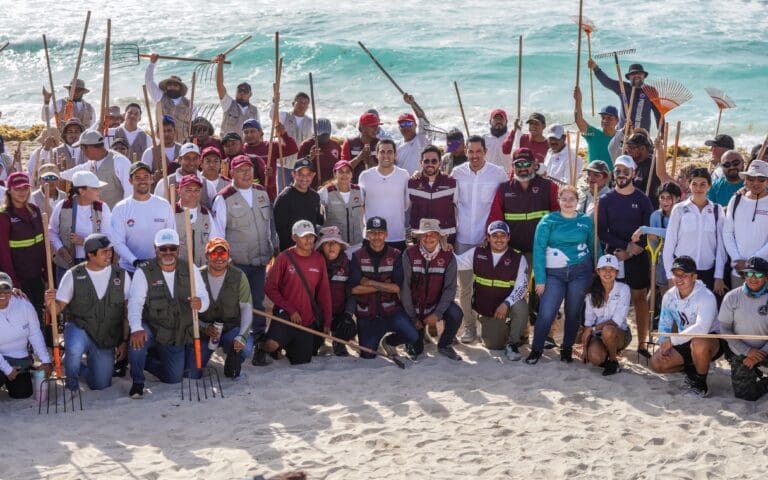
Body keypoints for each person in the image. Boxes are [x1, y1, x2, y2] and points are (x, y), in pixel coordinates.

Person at [211, 155, 278, 366]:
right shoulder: (224, 198)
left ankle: (258, 344)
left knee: (257, 303)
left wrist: (272, 248)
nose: (246, 174)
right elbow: (217, 233)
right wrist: (227, 260)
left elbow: (269, 226)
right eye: (240, 170)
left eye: (248, 169)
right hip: (236, 263)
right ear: (232, 172)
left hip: (260, 260)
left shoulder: (261, 193)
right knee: (236, 305)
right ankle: (233, 345)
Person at [127, 229, 209, 398]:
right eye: (163, 248)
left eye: (172, 248)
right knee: (137, 341)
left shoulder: (191, 269)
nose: (168, 252)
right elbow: (135, 303)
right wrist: (136, 328)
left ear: (179, 249)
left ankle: (148, 361)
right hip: (153, 327)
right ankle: (137, 382)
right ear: (155, 249)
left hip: (176, 333)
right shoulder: (144, 272)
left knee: (174, 378)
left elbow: (204, 298)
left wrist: (200, 304)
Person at [44, 234, 129, 392]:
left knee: (101, 384)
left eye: (110, 250)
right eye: (104, 252)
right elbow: (57, 309)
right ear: (90, 254)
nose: (109, 254)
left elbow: (126, 312)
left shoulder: (121, 276)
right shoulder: (73, 275)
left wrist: (124, 341)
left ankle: (71, 363)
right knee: (74, 348)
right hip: (80, 329)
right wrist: (49, 303)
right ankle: (72, 386)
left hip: (105, 337)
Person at [526, 185, 597, 364]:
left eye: (571, 199)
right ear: (558, 201)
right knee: (547, 312)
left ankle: (566, 349)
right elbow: (539, 250)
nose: (568, 203)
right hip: (554, 274)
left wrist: (598, 270)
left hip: (580, 272)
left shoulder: (586, 221)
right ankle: (536, 349)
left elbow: (594, 246)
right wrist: (540, 279)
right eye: (564, 199)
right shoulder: (548, 221)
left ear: (577, 201)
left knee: (573, 312)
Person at [452, 136, 508, 342]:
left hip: (488, 241)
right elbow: (451, 203)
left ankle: (489, 327)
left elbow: (504, 204)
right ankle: (469, 328)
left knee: (488, 286)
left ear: (485, 151)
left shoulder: (498, 173)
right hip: (463, 239)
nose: (474, 155)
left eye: (478, 151)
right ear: (466, 152)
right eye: (471, 151)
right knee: (465, 288)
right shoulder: (457, 173)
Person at [598, 155, 654, 356]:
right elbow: (602, 232)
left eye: (625, 171)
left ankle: (642, 344)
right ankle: (613, 340)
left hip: (637, 256)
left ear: (633, 173)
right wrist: (624, 247)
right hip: (613, 256)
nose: (621, 175)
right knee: (611, 297)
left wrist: (631, 251)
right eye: (618, 171)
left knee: (639, 299)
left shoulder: (642, 199)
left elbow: (648, 230)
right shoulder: (606, 200)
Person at [259, 221, 332, 365]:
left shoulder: (319, 259)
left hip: (306, 319)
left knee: (302, 360)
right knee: (271, 345)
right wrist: (290, 309)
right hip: (286, 314)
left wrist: (327, 321)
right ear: (294, 237)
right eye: (304, 236)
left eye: (311, 236)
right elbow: (269, 287)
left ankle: (286, 345)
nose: (308, 240)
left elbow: (324, 292)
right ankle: (260, 347)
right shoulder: (284, 257)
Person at [453, 220, 529, 360]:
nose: (499, 239)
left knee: (521, 307)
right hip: (488, 308)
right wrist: (442, 250)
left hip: (507, 304)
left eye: (502, 235)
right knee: (494, 345)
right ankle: (503, 328)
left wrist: (506, 303)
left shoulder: (518, 258)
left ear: (508, 237)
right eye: (494, 236)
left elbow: (522, 286)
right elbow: (457, 262)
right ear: (488, 238)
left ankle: (512, 343)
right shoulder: (477, 253)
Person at [651, 256, 723, 397]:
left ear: (694, 277)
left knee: (698, 342)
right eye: (675, 274)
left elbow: (702, 328)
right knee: (656, 364)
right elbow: (664, 324)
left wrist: (672, 341)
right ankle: (692, 369)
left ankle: (701, 385)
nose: (679, 279)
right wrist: (663, 344)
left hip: (710, 340)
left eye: (684, 275)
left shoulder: (706, 296)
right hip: (683, 339)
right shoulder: (669, 296)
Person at [349, 217, 418, 360]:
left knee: (412, 335)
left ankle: (389, 342)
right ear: (367, 235)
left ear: (386, 234)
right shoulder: (357, 256)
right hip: (367, 314)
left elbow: (396, 288)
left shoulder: (396, 254)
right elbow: (354, 289)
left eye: (380, 233)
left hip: (391, 311)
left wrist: (369, 282)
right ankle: (375, 338)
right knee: (368, 356)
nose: (376, 237)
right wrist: (384, 285)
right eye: (372, 233)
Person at [400, 219, 463, 361]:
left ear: (439, 236)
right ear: (419, 237)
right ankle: (415, 336)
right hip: (414, 308)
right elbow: (405, 288)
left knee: (456, 313)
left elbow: (450, 289)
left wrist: (437, 313)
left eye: (432, 234)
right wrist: (412, 317)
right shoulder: (409, 254)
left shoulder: (448, 257)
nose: (428, 238)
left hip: (435, 305)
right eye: (425, 234)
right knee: (417, 349)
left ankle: (445, 345)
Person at [195, 238, 253, 379]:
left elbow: (246, 307)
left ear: (228, 255)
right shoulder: (196, 276)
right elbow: (188, 312)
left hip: (230, 329)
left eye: (223, 253)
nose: (219, 258)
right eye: (214, 253)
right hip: (204, 332)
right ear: (207, 256)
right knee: (193, 373)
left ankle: (233, 363)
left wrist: (241, 336)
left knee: (245, 348)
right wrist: (204, 327)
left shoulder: (239, 276)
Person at [662, 168, 726, 294]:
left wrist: (719, 276)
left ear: (709, 186)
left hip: (707, 271)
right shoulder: (679, 209)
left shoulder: (717, 210)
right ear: (689, 185)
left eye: (703, 184)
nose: (698, 188)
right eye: (695, 184)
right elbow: (669, 244)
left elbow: (720, 247)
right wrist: (670, 276)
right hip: (681, 271)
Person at [111, 163, 176, 275]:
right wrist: (135, 262)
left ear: (151, 179)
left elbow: (171, 237)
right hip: (129, 270)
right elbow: (117, 242)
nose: (142, 181)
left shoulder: (164, 205)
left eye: (146, 177)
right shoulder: (120, 208)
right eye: (137, 178)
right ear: (130, 181)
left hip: (158, 269)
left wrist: (162, 260)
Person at [0, 172, 47, 325]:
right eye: (17, 188)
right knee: (25, 318)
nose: (22, 192)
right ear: (9, 190)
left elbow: (43, 245)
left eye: (25, 188)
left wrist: (47, 275)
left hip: (37, 276)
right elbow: (4, 254)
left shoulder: (35, 210)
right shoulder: (4, 216)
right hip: (19, 278)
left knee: (39, 313)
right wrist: (13, 283)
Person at [719, 256, 768, 401]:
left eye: (758, 274)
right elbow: (724, 329)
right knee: (745, 395)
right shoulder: (731, 297)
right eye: (749, 273)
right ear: (744, 275)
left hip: (766, 350)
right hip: (741, 353)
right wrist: (748, 352)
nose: (753, 278)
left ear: (766, 276)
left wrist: (759, 355)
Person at [0, 272, 52, 399]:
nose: (2, 294)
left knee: (22, 393)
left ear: (12, 290)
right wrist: (7, 369)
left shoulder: (24, 305)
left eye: (6, 289)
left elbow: (35, 333)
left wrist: (45, 360)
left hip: (19, 358)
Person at [49, 171, 112, 273]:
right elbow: (52, 231)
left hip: (94, 263)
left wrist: (84, 242)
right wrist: (60, 249)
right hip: (66, 264)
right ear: (82, 191)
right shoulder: (62, 206)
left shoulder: (102, 208)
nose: (99, 191)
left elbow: (108, 238)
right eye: (95, 188)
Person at [582, 254, 632, 376]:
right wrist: (585, 349)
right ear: (598, 271)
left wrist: (594, 328)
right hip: (598, 334)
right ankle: (607, 352)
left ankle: (613, 362)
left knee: (608, 330)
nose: (608, 272)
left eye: (611, 269)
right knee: (594, 358)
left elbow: (616, 321)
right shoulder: (591, 294)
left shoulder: (624, 289)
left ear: (617, 272)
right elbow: (588, 324)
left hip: (619, 333)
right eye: (604, 269)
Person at [57, 129, 133, 209]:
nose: (82, 152)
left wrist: (124, 213)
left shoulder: (120, 161)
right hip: (99, 214)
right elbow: (75, 172)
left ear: (89, 147)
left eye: (82, 148)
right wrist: (57, 175)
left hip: (117, 214)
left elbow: (130, 191)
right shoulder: (92, 163)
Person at [723, 160, 768, 290]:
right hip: (739, 271)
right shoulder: (735, 200)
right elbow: (727, 233)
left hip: (763, 272)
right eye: (751, 178)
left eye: (761, 179)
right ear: (746, 180)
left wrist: (750, 263)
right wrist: (737, 259)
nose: (756, 183)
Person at [358, 139, 410, 251]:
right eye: (382, 152)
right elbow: (359, 205)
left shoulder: (404, 175)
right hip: (371, 237)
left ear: (395, 154)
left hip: (397, 236)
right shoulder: (365, 176)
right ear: (376, 154)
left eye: (389, 152)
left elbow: (406, 204)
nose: (386, 155)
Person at [632, 181, 683, 294]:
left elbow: (672, 233)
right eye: (662, 198)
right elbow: (653, 241)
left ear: (678, 198)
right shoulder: (655, 216)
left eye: (669, 198)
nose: (665, 201)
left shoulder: (683, 215)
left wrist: (644, 229)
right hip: (662, 260)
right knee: (665, 293)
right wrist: (653, 263)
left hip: (680, 258)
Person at [315, 226, 356, 356]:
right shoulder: (314, 264)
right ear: (321, 247)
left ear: (341, 246)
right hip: (318, 313)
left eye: (335, 242)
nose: (331, 246)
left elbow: (352, 294)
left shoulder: (349, 265)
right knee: (310, 348)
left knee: (348, 326)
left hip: (339, 312)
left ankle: (339, 342)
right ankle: (320, 341)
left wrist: (348, 314)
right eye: (327, 243)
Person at [587, 60, 660, 132]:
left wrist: (661, 131)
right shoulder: (623, 87)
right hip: (623, 133)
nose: (636, 76)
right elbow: (607, 82)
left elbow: (658, 113)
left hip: (642, 134)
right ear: (629, 77)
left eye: (639, 73)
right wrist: (595, 68)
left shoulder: (651, 91)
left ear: (644, 76)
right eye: (633, 74)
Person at [407, 145, 458, 244]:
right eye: (426, 161)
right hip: (420, 237)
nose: (430, 164)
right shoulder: (412, 183)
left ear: (440, 163)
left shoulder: (451, 182)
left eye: (434, 161)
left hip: (445, 238)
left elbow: (459, 207)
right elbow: (406, 207)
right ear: (421, 163)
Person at [273, 158, 324, 252]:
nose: (304, 178)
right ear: (293, 174)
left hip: (310, 251)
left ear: (313, 175)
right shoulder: (283, 198)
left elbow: (317, 222)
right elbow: (281, 231)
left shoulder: (315, 196)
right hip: (291, 252)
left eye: (308, 174)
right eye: (300, 174)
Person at [241, 118, 298, 201]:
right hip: (246, 195)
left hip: (268, 195)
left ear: (260, 132)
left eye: (252, 131)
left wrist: (283, 134)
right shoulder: (241, 150)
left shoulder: (270, 147)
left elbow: (292, 149)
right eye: (246, 132)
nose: (249, 135)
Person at [173, 174, 222, 266]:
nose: (193, 194)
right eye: (189, 190)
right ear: (179, 191)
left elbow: (213, 241)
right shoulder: (171, 212)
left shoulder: (206, 213)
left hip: (201, 268)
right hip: (178, 269)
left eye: (197, 190)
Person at [318, 160, 364, 252]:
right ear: (335, 174)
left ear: (352, 174)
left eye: (347, 172)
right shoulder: (326, 192)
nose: (344, 175)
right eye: (341, 172)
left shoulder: (359, 191)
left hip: (357, 244)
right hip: (335, 246)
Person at [145, 54, 191, 141]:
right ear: (166, 87)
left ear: (180, 88)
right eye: (169, 84)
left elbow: (192, 124)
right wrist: (152, 63)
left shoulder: (189, 104)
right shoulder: (160, 97)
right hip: (162, 142)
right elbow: (149, 81)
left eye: (175, 85)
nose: (172, 86)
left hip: (182, 142)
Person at [275, 92, 314, 188]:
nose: (302, 105)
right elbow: (273, 115)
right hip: (284, 164)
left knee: (300, 191)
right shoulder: (284, 116)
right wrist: (275, 103)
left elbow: (311, 142)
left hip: (301, 166)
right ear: (293, 103)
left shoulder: (310, 122)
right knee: (283, 191)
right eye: (300, 102)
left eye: (305, 103)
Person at [574, 86, 619, 169]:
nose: (605, 120)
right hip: (593, 174)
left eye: (609, 118)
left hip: (612, 175)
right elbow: (578, 120)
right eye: (603, 118)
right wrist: (578, 101)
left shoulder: (620, 137)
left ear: (617, 120)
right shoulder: (593, 134)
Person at [215, 53, 259, 136]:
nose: (242, 93)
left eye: (245, 91)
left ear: (250, 94)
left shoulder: (254, 111)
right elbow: (219, 85)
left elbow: (258, 133)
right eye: (240, 90)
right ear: (236, 92)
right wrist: (220, 64)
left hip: (245, 144)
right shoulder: (228, 104)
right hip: (228, 143)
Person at [296, 118, 341, 190]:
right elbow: (298, 167)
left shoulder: (335, 145)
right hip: (310, 186)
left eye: (326, 135)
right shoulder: (306, 145)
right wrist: (310, 157)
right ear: (314, 133)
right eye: (321, 135)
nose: (324, 138)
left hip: (330, 186)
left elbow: (340, 166)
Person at [395, 94, 430, 175]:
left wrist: (413, 103)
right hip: (402, 181)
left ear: (415, 125)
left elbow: (422, 117)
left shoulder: (421, 138)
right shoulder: (396, 146)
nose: (406, 127)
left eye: (409, 123)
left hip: (419, 181)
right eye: (402, 124)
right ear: (399, 128)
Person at [341, 112, 380, 182]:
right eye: (372, 126)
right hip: (353, 185)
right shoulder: (349, 143)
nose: (376, 129)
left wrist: (370, 161)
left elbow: (385, 170)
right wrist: (359, 158)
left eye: (377, 126)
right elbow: (343, 169)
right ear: (362, 128)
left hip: (375, 184)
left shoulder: (380, 144)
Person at [625, 132, 660, 207]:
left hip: (647, 207)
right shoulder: (632, 164)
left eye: (631, 147)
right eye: (627, 147)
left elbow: (653, 193)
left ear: (643, 148)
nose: (628, 151)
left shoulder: (653, 165)